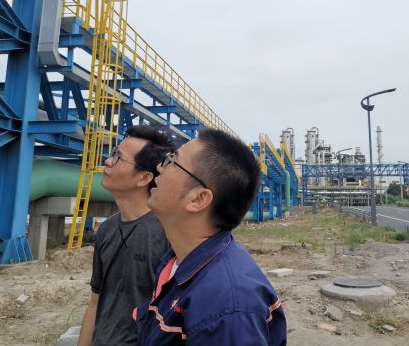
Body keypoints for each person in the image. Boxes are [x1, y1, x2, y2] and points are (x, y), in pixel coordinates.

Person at [135, 128, 287, 345]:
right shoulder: (178, 261)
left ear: (198, 199)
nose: (160, 167)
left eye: (172, 161)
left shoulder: (226, 308)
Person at [78, 125, 174, 346]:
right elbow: (95, 302)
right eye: (113, 153)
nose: (108, 161)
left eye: (118, 158)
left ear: (144, 177)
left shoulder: (167, 234)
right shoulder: (106, 230)